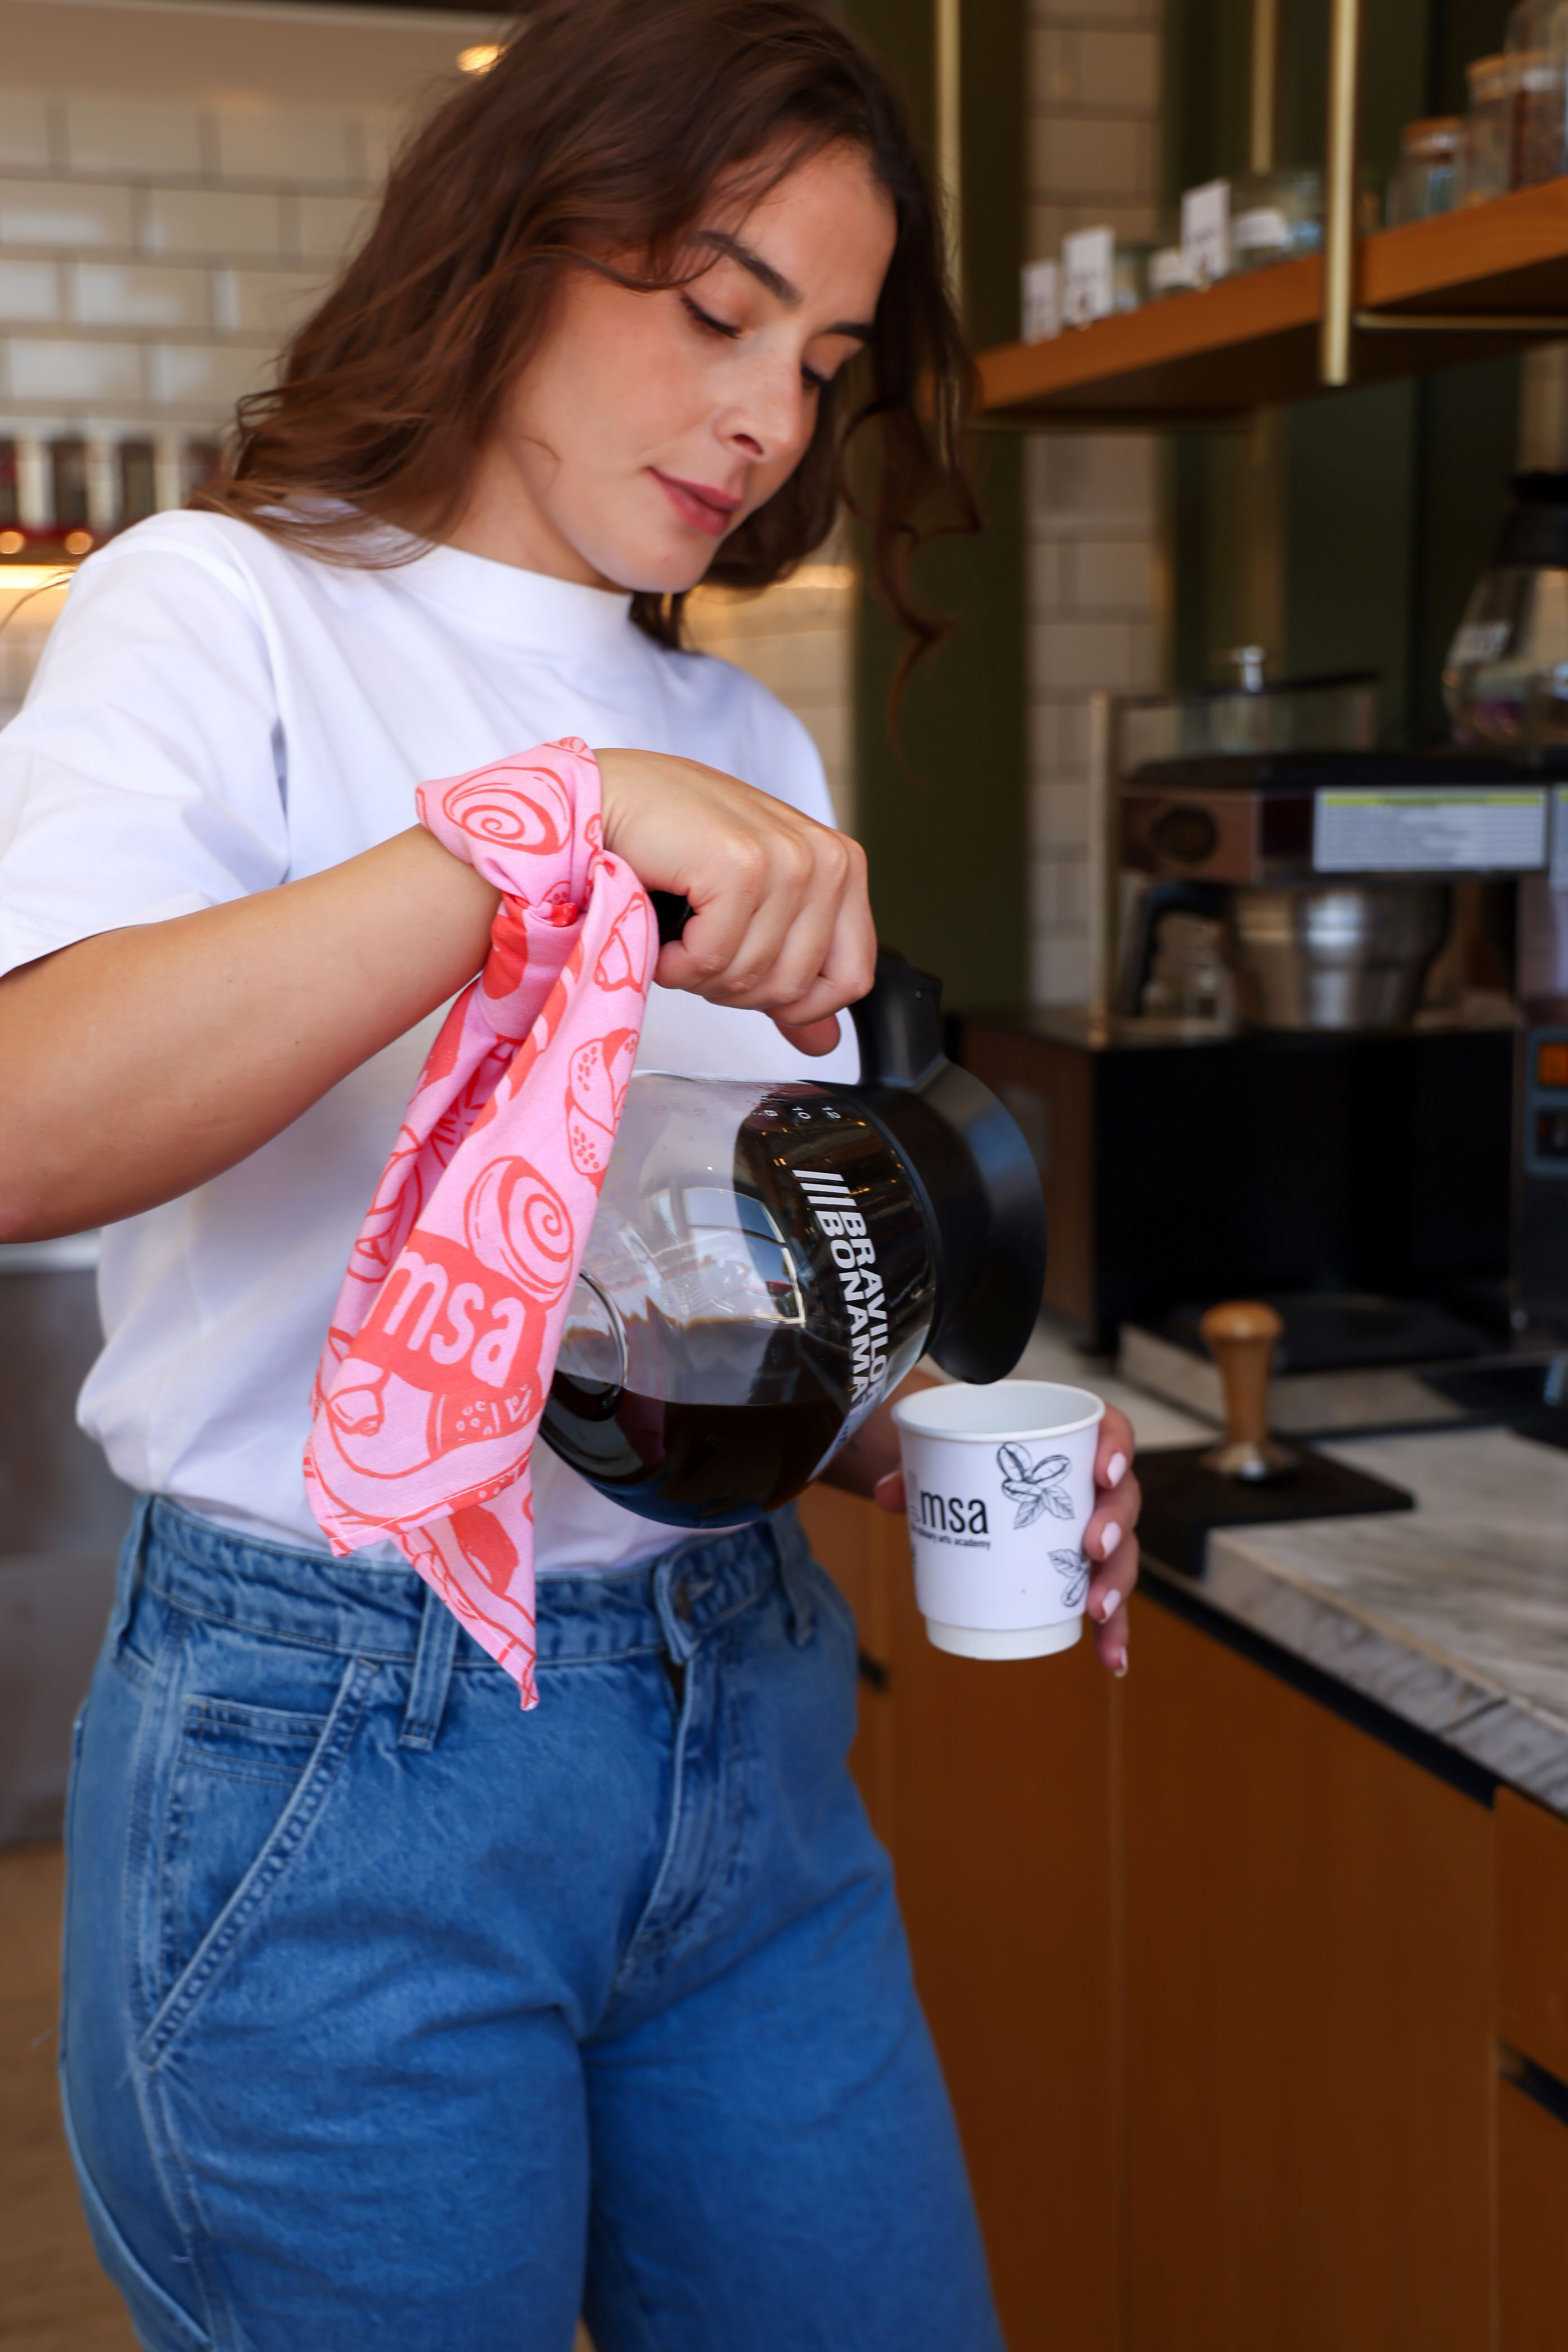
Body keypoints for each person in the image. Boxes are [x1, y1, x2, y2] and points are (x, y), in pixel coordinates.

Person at [0, 5, 1142, 2346]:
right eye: (716, 309)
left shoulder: (739, 724)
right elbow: (29, 1126)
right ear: (508, 245)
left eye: (821, 361)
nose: (765, 412)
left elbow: (698, 1280)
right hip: (336, 1758)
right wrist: (541, 827)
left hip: (742, 1731)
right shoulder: (222, 609)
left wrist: (925, 1425)